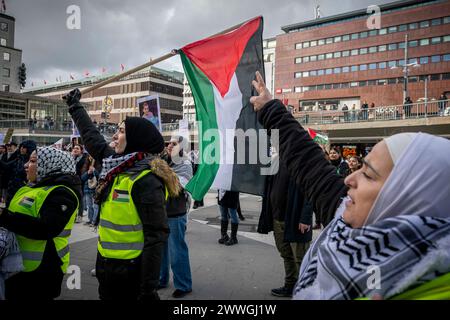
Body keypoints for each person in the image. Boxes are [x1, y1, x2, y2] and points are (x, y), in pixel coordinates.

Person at [251, 71, 450, 300]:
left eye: (369, 175)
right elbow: (308, 162)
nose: (349, 179)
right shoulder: (347, 215)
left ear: (409, 197)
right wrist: (270, 109)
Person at [64, 88, 180, 301]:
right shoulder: (118, 165)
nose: (115, 136)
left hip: (131, 273)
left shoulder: (146, 180)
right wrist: (75, 106)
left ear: (136, 139)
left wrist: (147, 290)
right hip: (106, 266)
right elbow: (92, 138)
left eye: (122, 131)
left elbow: (156, 239)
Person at [0, 146, 81, 300]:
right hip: (15, 267)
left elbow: (45, 228)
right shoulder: (27, 188)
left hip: (42, 270)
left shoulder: (63, 193)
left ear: (50, 164)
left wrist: (4, 216)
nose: (26, 165)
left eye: (32, 161)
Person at [258, 153, 312, 298]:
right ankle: (290, 285)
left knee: (301, 258)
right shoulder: (275, 160)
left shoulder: (303, 160)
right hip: (277, 218)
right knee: (286, 255)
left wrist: (305, 218)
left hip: (295, 220)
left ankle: (306, 290)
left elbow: (310, 191)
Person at [159, 134, 193, 298]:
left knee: (177, 250)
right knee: (162, 249)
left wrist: (160, 170)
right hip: (162, 212)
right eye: (169, 143)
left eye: (174, 143)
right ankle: (161, 279)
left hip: (176, 213)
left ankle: (184, 284)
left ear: (182, 147)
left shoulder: (185, 164)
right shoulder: (164, 160)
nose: (170, 146)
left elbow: (177, 187)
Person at [0, 140, 37, 206]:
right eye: (21, 147)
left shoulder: (34, 161)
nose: (21, 149)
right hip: (12, 190)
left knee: (22, 209)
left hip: (25, 192)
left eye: (24, 147)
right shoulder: (19, 158)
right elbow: (6, 166)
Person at [80, 156, 99, 226]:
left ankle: (94, 221)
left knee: (95, 206)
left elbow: (100, 176)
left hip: (96, 190)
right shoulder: (85, 165)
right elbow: (82, 178)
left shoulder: (99, 163)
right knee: (89, 206)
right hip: (87, 190)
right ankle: (90, 220)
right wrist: (88, 173)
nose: (91, 157)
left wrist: (94, 171)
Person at [72, 144, 87, 223]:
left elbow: (83, 170)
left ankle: (80, 215)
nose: (75, 150)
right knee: (73, 198)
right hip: (72, 181)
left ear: (81, 150)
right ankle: (73, 215)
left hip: (81, 181)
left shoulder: (85, 159)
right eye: (74, 148)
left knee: (80, 199)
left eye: (77, 148)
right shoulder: (72, 158)